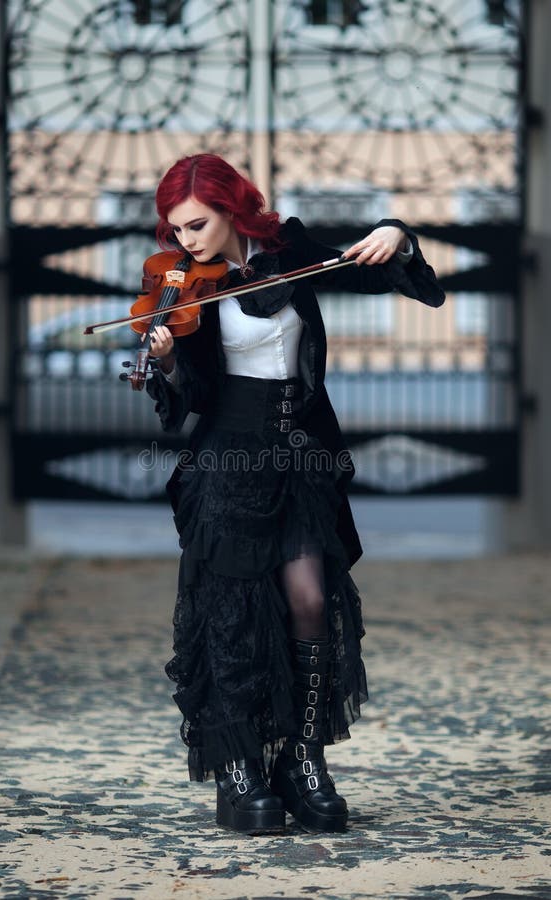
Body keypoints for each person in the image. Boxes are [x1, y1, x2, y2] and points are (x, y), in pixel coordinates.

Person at [143, 153, 445, 835]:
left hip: (299, 455)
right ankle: (241, 767)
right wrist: (164, 358)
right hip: (226, 458)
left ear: (230, 210)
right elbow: (189, 397)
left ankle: (302, 761)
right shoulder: (183, 289)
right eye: (176, 230)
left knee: (312, 600)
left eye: (197, 225)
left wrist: (396, 230)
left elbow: (377, 273)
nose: (185, 242)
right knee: (236, 612)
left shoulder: (289, 250)